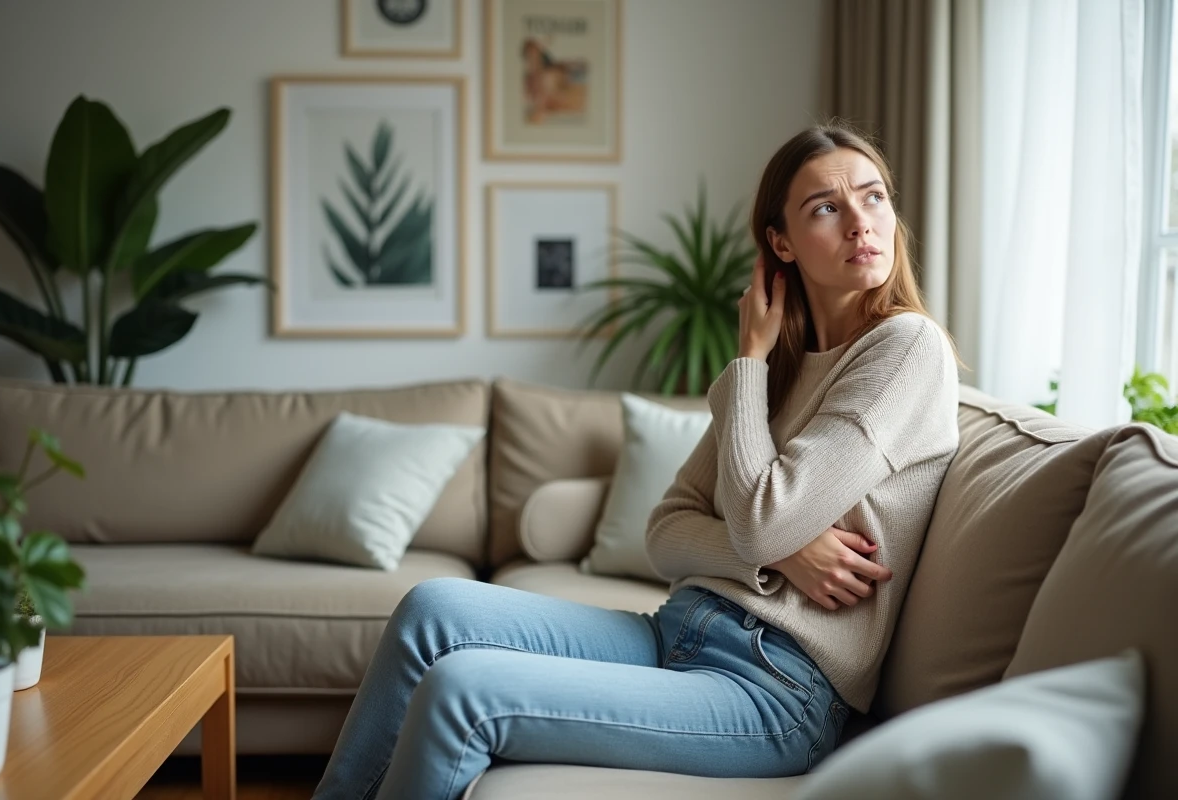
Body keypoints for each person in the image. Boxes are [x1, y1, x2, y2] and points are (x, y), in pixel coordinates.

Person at [311, 123, 961, 800]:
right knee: (430, 609)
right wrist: (779, 555)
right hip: (680, 631)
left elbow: (764, 520)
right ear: (781, 244)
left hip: (776, 688)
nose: (861, 222)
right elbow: (667, 531)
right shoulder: (777, 372)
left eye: (874, 197)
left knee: (461, 691)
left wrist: (746, 371)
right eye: (826, 207)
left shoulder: (904, 348)